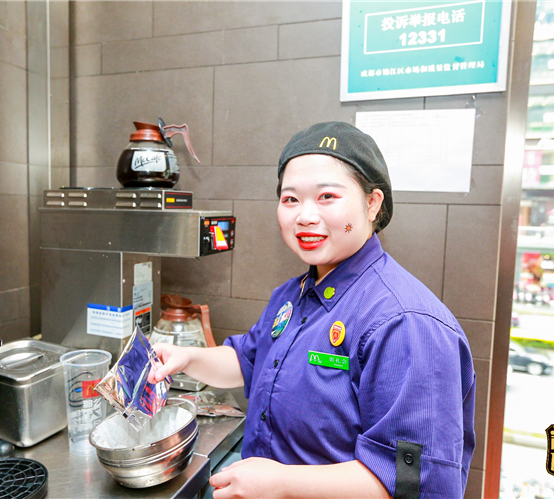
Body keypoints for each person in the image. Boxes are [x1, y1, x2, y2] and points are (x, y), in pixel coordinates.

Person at [150, 122, 476, 499]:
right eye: (291, 199)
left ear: (372, 203)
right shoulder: (294, 294)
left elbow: (412, 483)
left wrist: (280, 484)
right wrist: (186, 358)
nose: (305, 216)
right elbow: (249, 359)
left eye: (327, 197)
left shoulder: (405, 323)